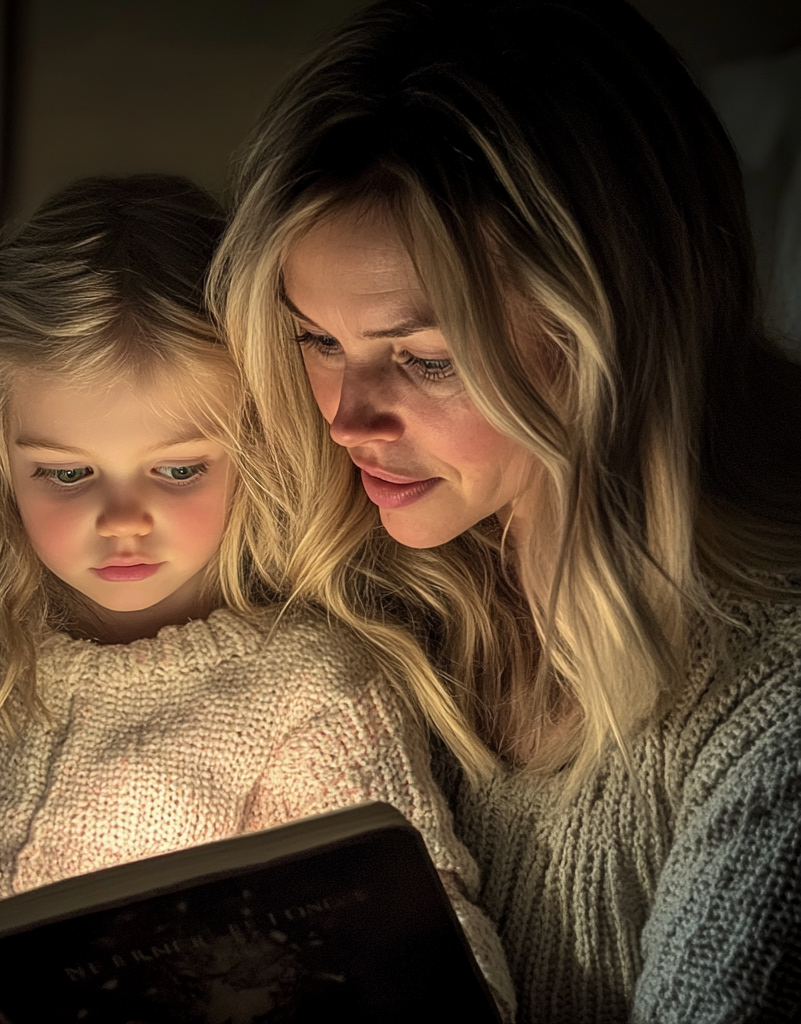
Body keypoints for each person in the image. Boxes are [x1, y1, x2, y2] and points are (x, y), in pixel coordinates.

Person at [0, 175, 515, 1022]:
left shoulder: (316, 696)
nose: (122, 520)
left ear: (257, 451)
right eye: (65, 473)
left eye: (177, 469)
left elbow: (444, 960)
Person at [209, 0, 801, 1021]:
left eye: (424, 358)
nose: (347, 419)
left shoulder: (770, 702)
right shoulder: (366, 606)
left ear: (610, 332)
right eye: (317, 341)